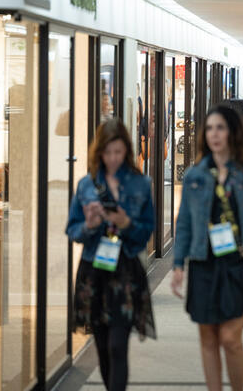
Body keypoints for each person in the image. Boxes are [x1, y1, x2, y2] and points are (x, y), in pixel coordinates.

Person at [171, 105, 243, 391]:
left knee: (230, 338)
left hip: (238, 262)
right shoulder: (195, 175)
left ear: (231, 133)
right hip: (204, 262)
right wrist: (178, 264)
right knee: (208, 338)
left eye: (221, 128)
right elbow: (185, 224)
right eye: (210, 128)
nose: (215, 134)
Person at [66, 118, 156, 391]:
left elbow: (146, 231)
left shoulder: (140, 184)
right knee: (103, 345)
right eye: (108, 153)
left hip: (126, 272)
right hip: (94, 272)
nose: (113, 158)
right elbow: (73, 230)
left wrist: (127, 223)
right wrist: (90, 224)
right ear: (100, 153)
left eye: (118, 152)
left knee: (118, 345)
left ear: (127, 151)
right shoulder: (86, 185)